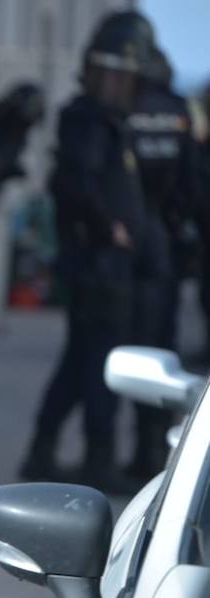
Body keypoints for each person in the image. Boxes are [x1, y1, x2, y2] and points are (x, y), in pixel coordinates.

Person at [19, 9, 155, 495]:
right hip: (97, 265)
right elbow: (74, 184)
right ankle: (96, 458)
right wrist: (110, 228)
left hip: (106, 265)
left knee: (81, 362)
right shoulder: (86, 121)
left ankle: (43, 449)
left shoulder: (107, 121)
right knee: (97, 366)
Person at [126, 46, 198, 479]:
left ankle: (122, 451)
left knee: (116, 352)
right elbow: (193, 182)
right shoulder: (177, 111)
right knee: (159, 351)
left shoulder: (123, 108)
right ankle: (152, 452)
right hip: (164, 244)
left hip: (124, 244)